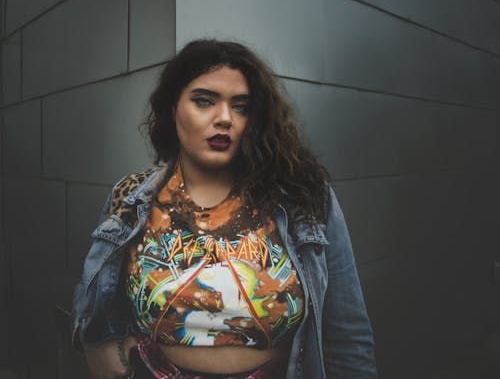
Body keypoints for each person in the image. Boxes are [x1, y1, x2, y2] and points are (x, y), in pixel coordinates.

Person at [71, 39, 377, 379]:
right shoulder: (130, 198)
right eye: (204, 101)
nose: (225, 118)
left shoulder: (302, 197)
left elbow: (347, 335)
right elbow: (95, 304)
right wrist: (101, 348)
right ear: (173, 108)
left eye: (242, 107)